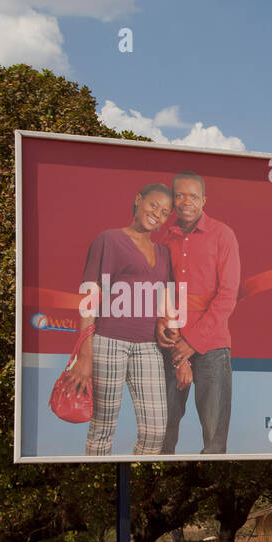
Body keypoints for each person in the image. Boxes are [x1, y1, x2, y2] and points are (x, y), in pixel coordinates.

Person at [66, 183, 175, 456]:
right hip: (108, 342)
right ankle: (105, 495)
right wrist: (85, 353)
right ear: (138, 200)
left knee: (156, 431)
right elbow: (90, 295)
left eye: (164, 212)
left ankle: (132, 485)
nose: (157, 214)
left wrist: (166, 322)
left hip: (148, 346)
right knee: (102, 428)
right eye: (153, 205)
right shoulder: (109, 240)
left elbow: (164, 299)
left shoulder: (164, 253)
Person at [154, 171, 241, 455]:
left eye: (193, 196)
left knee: (215, 439)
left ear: (204, 200)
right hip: (171, 347)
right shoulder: (164, 239)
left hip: (212, 347)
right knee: (162, 432)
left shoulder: (223, 235)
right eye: (179, 195)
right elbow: (162, 293)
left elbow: (227, 295)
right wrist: (165, 329)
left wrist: (191, 343)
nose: (185, 202)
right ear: (173, 199)